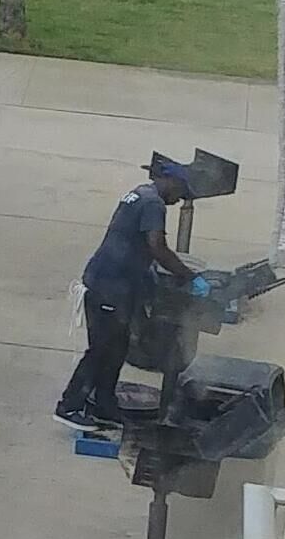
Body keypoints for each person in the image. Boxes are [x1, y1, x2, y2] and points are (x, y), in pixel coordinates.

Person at [55, 159, 195, 431]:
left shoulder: (140, 193)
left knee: (117, 348)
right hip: (109, 286)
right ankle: (69, 406)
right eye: (181, 192)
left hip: (114, 284)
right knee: (101, 349)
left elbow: (136, 244)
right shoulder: (153, 204)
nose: (179, 200)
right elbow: (157, 247)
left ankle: (105, 406)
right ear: (172, 181)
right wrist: (187, 275)